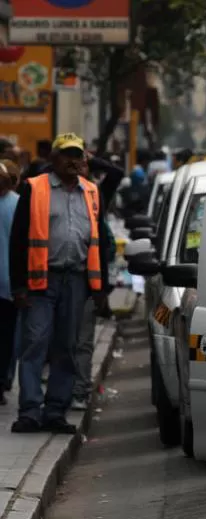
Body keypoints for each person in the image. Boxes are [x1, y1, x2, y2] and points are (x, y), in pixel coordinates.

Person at [8, 133, 111, 434]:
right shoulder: (34, 188)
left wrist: (101, 288)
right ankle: (29, 411)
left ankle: (55, 410)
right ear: (53, 159)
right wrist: (19, 286)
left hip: (76, 281)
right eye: (66, 154)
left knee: (67, 346)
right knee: (35, 344)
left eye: (77, 155)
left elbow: (100, 243)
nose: (72, 160)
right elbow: (18, 240)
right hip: (42, 281)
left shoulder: (91, 192)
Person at [71, 153, 124, 410]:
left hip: (88, 279)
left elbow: (116, 173)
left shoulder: (95, 194)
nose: (77, 169)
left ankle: (79, 391)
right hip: (59, 279)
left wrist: (92, 159)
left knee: (83, 340)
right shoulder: (49, 191)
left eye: (81, 165)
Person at [0, 159, 20, 404]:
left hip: (9, 283)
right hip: (10, 283)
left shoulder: (16, 204)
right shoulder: (18, 204)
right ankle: (3, 380)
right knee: (7, 336)